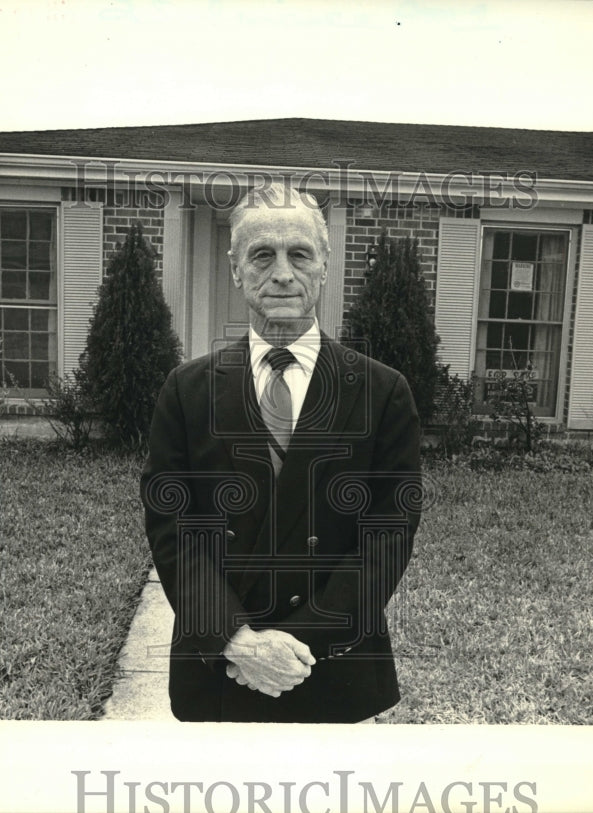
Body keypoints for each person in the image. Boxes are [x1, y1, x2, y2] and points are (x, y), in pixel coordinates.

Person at [140, 183, 422, 723]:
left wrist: (291, 648)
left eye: (299, 254)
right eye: (262, 254)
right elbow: (173, 530)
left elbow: (387, 536)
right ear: (235, 268)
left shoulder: (382, 392)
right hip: (220, 668)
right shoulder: (187, 390)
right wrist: (237, 641)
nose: (282, 273)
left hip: (334, 668)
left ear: (324, 265)